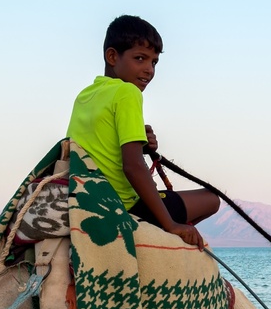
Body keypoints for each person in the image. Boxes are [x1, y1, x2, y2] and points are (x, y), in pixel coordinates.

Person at [66, 15, 219, 248]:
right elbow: (133, 166)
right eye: (140, 59)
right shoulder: (128, 93)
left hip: (91, 198)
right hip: (125, 204)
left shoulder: (85, 95)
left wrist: (142, 144)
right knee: (211, 198)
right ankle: (164, 235)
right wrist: (171, 224)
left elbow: (97, 145)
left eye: (154, 62)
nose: (148, 70)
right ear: (112, 56)